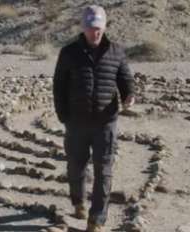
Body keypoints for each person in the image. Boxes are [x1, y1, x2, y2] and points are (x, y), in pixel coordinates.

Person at [52, 4, 135, 232]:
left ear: (104, 27)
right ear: (83, 27)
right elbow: (59, 86)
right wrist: (63, 116)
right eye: (90, 28)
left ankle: (96, 219)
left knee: (104, 169)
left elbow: (125, 78)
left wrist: (129, 95)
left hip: (105, 123)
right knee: (76, 167)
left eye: (98, 28)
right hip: (76, 122)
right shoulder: (69, 52)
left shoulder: (116, 51)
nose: (94, 32)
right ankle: (78, 201)